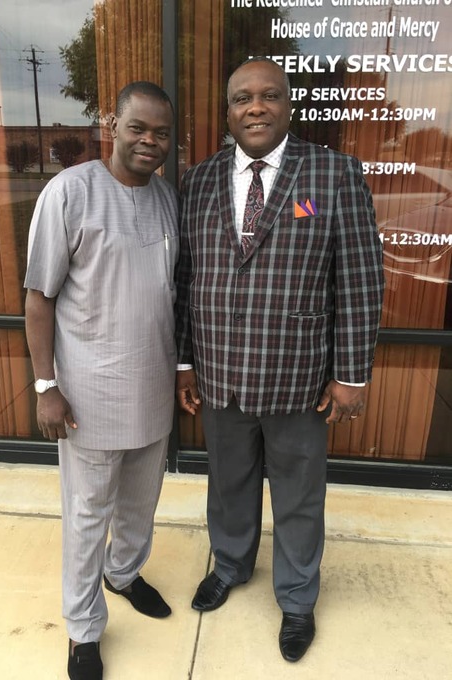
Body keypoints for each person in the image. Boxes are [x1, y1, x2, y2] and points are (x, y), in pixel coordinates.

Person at [175, 58, 384, 664]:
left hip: (299, 378)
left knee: (298, 495)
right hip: (220, 374)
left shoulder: (334, 174)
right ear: (228, 112)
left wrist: (350, 375)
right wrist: (185, 362)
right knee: (228, 483)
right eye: (243, 98)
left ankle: (296, 598)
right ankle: (231, 565)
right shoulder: (200, 180)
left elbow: (360, 280)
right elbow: (185, 280)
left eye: (269, 96)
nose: (256, 107)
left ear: (288, 106)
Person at [24, 81, 179, 680]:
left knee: (140, 501)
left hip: (153, 386)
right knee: (88, 515)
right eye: (137, 128)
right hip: (89, 395)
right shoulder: (69, 192)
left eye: (161, 133)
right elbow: (39, 299)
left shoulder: (166, 198)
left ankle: (125, 573)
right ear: (112, 126)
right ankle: (83, 629)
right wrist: (46, 386)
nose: (149, 141)